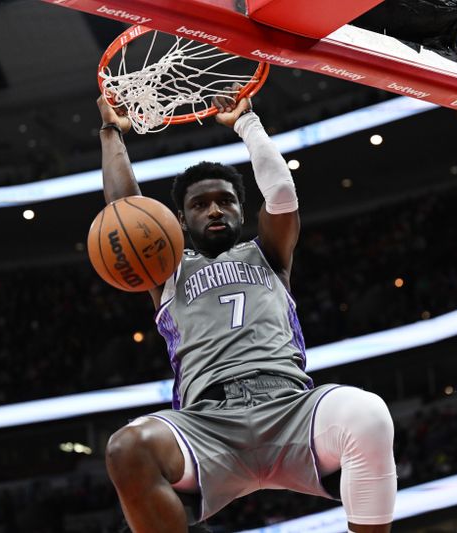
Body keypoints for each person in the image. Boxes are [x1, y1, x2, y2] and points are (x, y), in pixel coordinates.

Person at [96, 86, 397, 533]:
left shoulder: (269, 253)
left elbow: (280, 194)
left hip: (291, 406)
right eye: (200, 204)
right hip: (206, 422)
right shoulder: (166, 269)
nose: (215, 209)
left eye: (226, 200)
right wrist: (111, 133)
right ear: (178, 221)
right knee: (126, 448)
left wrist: (246, 123)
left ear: (241, 210)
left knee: (368, 414)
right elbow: (125, 211)